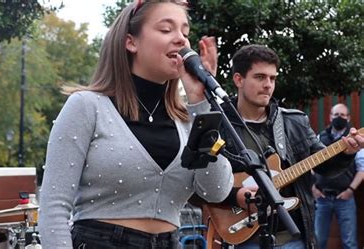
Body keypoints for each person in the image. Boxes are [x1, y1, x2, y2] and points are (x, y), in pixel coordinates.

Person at [38, 0, 235, 248]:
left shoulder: (189, 120)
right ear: (131, 42)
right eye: (166, 30)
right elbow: (53, 206)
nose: (181, 40)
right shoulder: (87, 107)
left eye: (185, 33)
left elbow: (215, 191)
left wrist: (200, 104)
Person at [213, 44, 364, 249]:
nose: (268, 85)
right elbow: (198, 185)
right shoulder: (218, 124)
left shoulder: (294, 122)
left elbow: (325, 167)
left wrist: (346, 152)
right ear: (238, 79)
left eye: (272, 78)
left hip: (293, 239)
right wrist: (234, 196)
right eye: (260, 77)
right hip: (242, 237)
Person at [313, 103, 363, 249]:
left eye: (342, 115)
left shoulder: (355, 140)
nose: (338, 118)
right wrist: (313, 187)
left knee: (350, 243)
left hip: (345, 198)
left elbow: (362, 169)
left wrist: (350, 190)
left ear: (348, 118)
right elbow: (310, 166)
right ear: (330, 117)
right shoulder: (319, 138)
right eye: (336, 115)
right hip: (322, 198)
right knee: (318, 241)